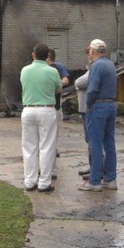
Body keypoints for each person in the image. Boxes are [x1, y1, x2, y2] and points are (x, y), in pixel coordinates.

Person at [20, 42, 63, 192]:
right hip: (46, 110)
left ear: (33, 55)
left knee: (29, 147)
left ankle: (29, 181)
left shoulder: (24, 70)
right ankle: (44, 182)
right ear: (48, 57)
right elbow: (59, 88)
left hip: (28, 110)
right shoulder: (52, 71)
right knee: (46, 147)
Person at [79, 39, 118, 192]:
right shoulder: (110, 65)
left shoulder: (96, 66)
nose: (88, 53)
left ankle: (94, 181)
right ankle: (110, 179)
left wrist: (88, 105)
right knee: (109, 143)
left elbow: (92, 88)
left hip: (98, 106)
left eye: (89, 50)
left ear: (93, 51)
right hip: (111, 105)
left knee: (95, 144)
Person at [46, 49, 70, 175]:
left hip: (54, 107)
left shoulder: (57, 67)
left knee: (52, 135)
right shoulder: (42, 68)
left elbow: (66, 80)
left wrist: (56, 86)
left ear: (48, 56)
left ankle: (51, 167)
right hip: (46, 107)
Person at [73, 66, 90, 177]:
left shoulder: (95, 68)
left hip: (88, 110)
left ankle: (96, 168)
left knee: (92, 140)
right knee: (89, 139)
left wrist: (77, 83)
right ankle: (92, 166)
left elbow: (80, 82)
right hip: (85, 109)